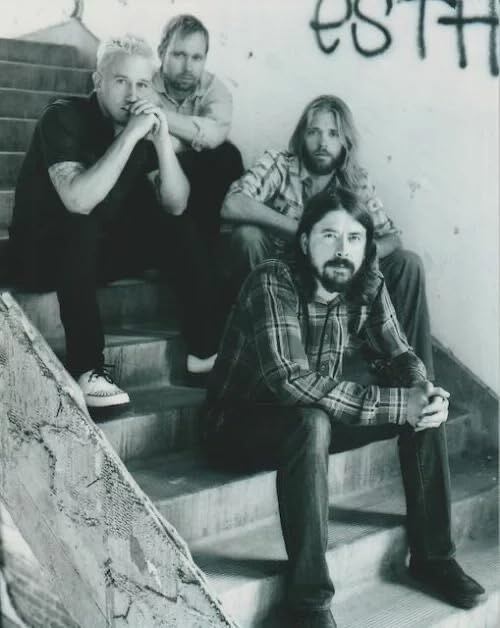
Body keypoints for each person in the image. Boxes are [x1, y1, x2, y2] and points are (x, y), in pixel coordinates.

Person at [204, 188, 485, 628]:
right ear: (304, 241)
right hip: (238, 425)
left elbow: (400, 353)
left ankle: (433, 557)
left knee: (422, 405)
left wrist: (421, 390)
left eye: (354, 238)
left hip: (313, 417)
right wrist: (399, 404)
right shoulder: (273, 280)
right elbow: (292, 381)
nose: (342, 249)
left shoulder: (367, 280)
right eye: (329, 235)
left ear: (366, 246)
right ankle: (308, 602)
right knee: (313, 420)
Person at [8, 34, 220, 407]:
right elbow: (78, 200)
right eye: (121, 81)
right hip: (40, 255)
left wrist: (161, 142)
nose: (132, 94)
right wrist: (132, 135)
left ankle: (203, 353)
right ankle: (88, 368)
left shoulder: (139, 124)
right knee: (83, 220)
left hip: (93, 257)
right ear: (98, 81)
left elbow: (177, 205)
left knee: (178, 223)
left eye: (142, 84)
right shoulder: (63, 116)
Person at [220, 95, 434, 379]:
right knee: (247, 236)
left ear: (346, 142)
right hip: (281, 279)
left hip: (334, 279)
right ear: (302, 136)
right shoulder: (279, 164)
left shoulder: (355, 180)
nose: (323, 142)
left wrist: (354, 252)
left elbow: (392, 238)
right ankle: (267, 353)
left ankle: (416, 379)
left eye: (333, 134)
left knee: (408, 263)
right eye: (314, 132)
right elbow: (232, 204)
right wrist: (303, 232)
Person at [154, 14, 244, 372]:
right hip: (152, 189)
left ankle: (197, 256)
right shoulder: (143, 83)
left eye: (197, 57)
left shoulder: (214, 89)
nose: (188, 66)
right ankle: (204, 350)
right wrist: (190, 136)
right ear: (161, 52)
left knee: (227, 156)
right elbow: (146, 147)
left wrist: (160, 121)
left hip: (195, 199)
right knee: (183, 224)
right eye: (179, 55)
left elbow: (215, 135)